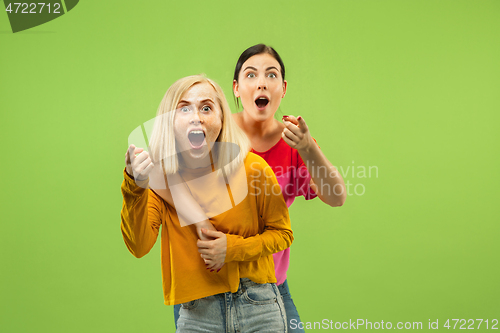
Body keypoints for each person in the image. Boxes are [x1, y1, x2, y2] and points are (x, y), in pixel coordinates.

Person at [170, 44, 348, 332]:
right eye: (251, 75)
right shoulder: (210, 132)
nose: (262, 82)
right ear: (236, 88)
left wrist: (307, 148)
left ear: (283, 88)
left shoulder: (295, 143)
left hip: (265, 289)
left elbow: (337, 196)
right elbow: (168, 177)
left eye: (271, 75)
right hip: (203, 290)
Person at [121, 75, 293, 332]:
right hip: (197, 313)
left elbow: (283, 234)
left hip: (258, 305)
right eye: (184, 108)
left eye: (206, 108)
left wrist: (231, 248)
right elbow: (138, 246)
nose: (196, 117)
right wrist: (134, 186)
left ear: (222, 120)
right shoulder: (158, 183)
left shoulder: (253, 170)